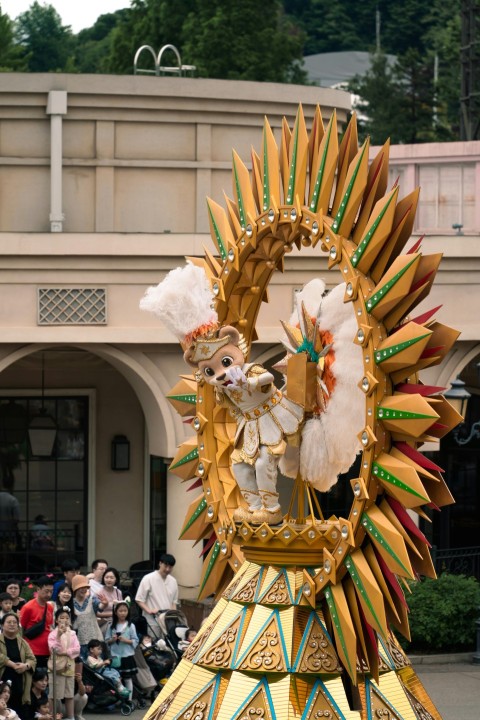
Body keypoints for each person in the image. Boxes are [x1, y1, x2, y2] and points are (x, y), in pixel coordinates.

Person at [0, 613, 36, 714]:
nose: (12, 624)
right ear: (2, 625)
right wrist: (11, 664)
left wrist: (26, 666)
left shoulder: (23, 642)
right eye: (9, 622)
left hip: (20, 683)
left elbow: (32, 659)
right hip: (3, 682)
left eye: (14, 622)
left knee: (19, 711)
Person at [47, 608, 80, 720]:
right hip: (56, 666)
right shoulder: (52, 634)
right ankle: (52, 717)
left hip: (70, 666)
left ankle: (71, 717)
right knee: (54, 695)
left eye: (67, 618)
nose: (65, 620)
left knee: (69, 694)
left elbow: (77, 649)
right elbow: (54, 650)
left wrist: (66, 652)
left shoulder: (73, 634)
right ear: (56, 620)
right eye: (62, 618)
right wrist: (58, 636)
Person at [135, 554, 178, 637]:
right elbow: (139, 599)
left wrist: (173, 616)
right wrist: (149, 610)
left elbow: (174, 602)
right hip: (152, 620)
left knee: (168, 645)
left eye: (170, 567)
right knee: (154, 644)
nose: (167, 569)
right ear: (160, 563)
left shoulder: (173, 581)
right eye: (165, 566)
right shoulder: (148, 578)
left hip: (168, 621)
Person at [105, 602, 138, 700]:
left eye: (125, 611)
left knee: (128, 679)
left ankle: (129, 700)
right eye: (120, 611)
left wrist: (126, 640)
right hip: (115, 656)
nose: (123, 613)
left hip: (127, 656)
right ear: (115, 612)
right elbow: (106, 640)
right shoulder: (111, 626)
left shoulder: (131, 626)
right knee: (117, 679)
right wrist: (113, 639)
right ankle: (118, 699)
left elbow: (136, 640)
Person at [19, 577, 54, 669]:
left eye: (51, 591)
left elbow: (49, 627)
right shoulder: (28, 607)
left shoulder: (50, 607)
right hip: (32, 651)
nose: (49, 594)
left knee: (44, 681)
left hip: (47, 650)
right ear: (38, 589)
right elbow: (20, 628)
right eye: (46, 591)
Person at [71, 576, 105, 657]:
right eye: (81, 587)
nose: (84, 589)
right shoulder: (70, 603)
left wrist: (104, 604)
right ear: (75, 588)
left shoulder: (92, 599)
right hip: (79, 641)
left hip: (95, 641)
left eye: (85, 587)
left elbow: (100, 607)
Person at [92, 567, 122, 634]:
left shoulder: (118, 592)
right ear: (103, 578)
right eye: (107, 577)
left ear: (116, 579)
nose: (109, 580)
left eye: (111, 578)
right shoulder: (98, 593)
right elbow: (96, 613)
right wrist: (113, 614)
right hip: (103, 623)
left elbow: (121, 608)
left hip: (117, 621)